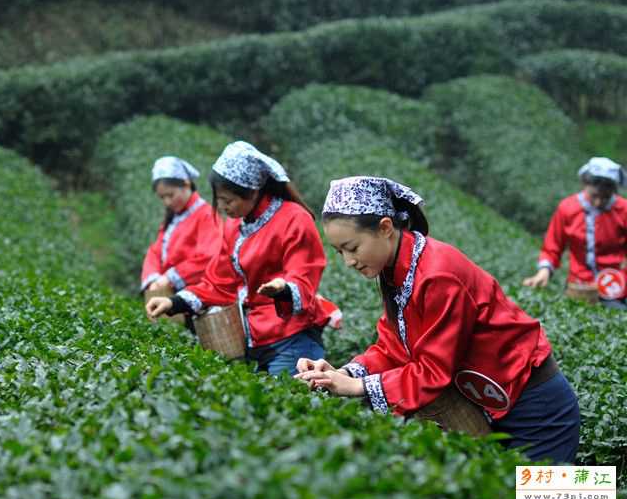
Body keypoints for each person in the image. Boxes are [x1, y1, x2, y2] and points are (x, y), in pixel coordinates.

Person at [295, 176, 580, 463]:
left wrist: (359, 387)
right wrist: (344, 374)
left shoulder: (437, 274)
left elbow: (434, 369)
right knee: (517, 494)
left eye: (353, 248)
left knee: (550, 496)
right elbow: (392, 348)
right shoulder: (397, 271)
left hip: (535, 407)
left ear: (384, 228)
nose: (348, 261)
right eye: (340, 252)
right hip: (493, 401)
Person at [146, 141, 341, 375]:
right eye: (219, 199)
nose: (222, 207)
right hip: (254, 338)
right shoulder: (235, 226)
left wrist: (283, 288)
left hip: (292, 339)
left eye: (228, 200)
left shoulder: (294, 219)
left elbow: (305, 274)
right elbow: (219, 281)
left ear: (253, 192)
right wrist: (173, 302)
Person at [523, 157, 627, 309]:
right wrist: (544, 271)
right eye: (594, 196)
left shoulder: (623, 210)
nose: (598, 203)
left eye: (605, 197)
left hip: (614, 286)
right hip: (578, 285)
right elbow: (553, 245)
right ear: (585, 184)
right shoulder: (567, 208)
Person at [141, 156, 221, 295]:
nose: (167, 202)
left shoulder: (206, 215)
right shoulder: (173, 217)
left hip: (196, 295)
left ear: (187, 184)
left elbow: (210, 257)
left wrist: (170, 278)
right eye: (162, 197)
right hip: (168, 291)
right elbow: (155, 251)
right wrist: (154, 278)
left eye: (170, 195)